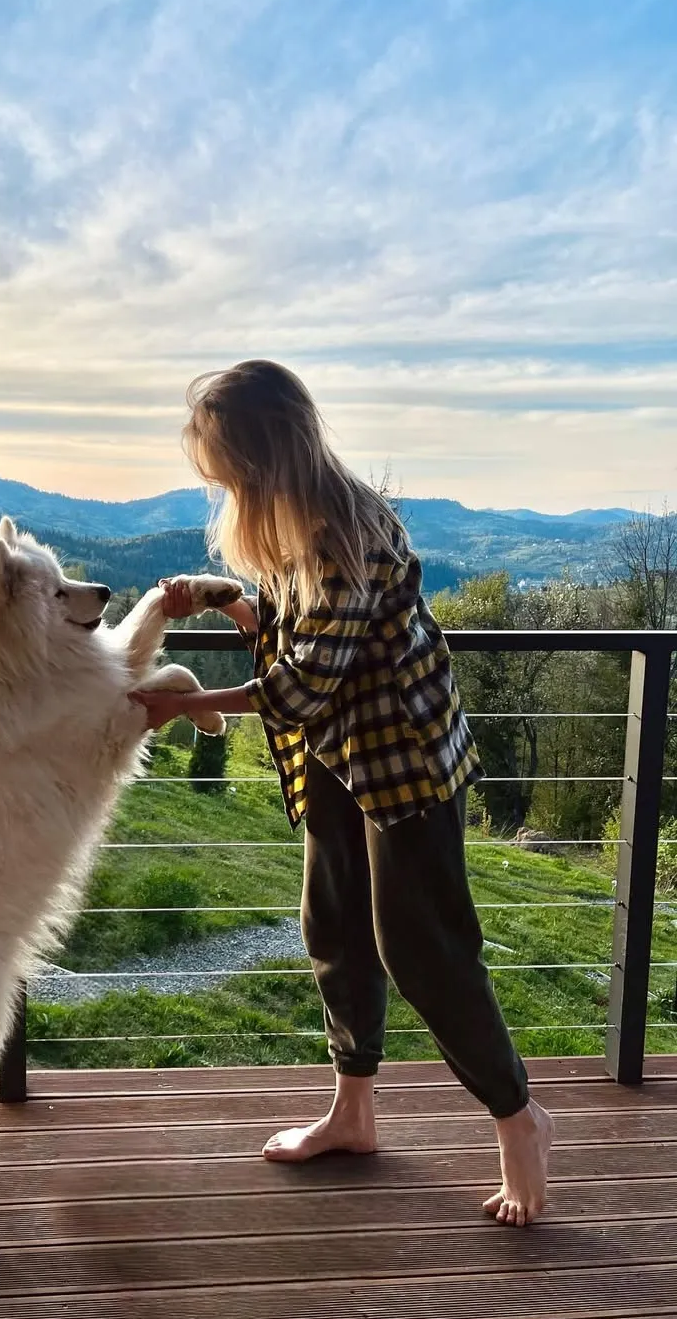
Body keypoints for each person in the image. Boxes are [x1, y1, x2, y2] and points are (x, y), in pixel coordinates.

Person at [130, 359, 553, 1228]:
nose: (217, 482)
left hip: (402, 759)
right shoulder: (294, 520)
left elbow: (299, 688)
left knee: (423, 948)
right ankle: (352, 1115)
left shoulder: (341, 531)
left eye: (222, 464)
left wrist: (176, 703)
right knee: (334, 925)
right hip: (334, 755)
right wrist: (237, 607)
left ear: (258, 454)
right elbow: (302, 643)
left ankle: (519, 1119)